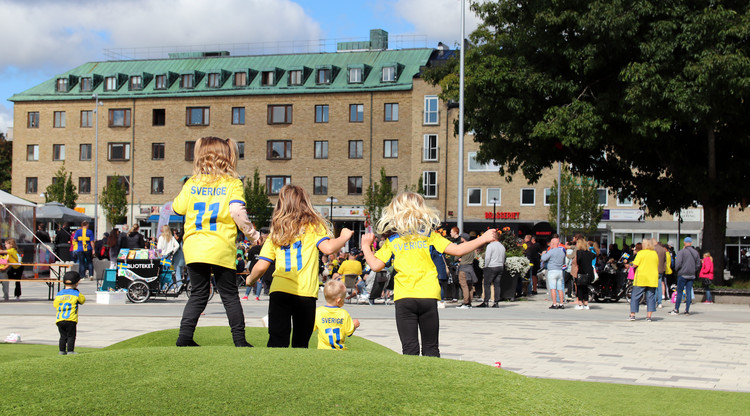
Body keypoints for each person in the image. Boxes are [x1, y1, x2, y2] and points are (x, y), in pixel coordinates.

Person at [361, 192, 495, 357]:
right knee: (431, 348)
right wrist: (483, 239)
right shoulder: (430, 236)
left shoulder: (393, 240)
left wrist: (366, 246)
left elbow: (374, 265)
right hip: (428, 296)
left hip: (404, 297)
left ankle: (413, 381)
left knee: (409, 349)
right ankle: (433, 380)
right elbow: (458, 250)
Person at [173, 136, 260, 348]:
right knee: (230, 295)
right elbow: (237, 212)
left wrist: (191, 187)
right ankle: (239, 341)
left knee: (198, 294)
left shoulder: (192, 182)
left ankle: (184, 338)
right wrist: (254, 235)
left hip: (195, 247)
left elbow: (178, 208)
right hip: (221, 246)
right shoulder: (232, 183)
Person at [246, 184, 353, 348]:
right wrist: (344, 237)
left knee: (277, 340)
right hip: (305, 292)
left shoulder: (277, 232)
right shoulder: (314, 227)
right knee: (301, 342)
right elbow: (329, 248)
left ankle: (275, 372)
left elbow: (261, 266)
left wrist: (250, 279)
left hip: (280, 290)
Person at [314, 279, 360, 350]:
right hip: (340, 349)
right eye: (343, 298)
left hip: (322, 349)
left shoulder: (318, 312)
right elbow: (349, 332)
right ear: (338, 300)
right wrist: (355, 325)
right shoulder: (343, 313)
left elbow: (311, 327)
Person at [54, 271, 86, 355]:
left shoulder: (59, 294)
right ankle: (70, 350)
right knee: (71, 336)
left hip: (60, 319)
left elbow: (55, 305)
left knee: (62, 336)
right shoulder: (76, 293)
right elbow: (82, 300)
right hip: (71, 319)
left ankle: (61, 350)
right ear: (77, 283)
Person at [629, 239, 659, 321]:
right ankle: (649, 316)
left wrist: (629, 263)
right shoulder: (654, 253)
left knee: (635, 296)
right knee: (650, 297)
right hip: (652, 278)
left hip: (641, 278)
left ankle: (632, 315)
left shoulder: (641, 253)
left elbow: (634, 264)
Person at [670, 237, 701, 316]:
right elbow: (698, 264)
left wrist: (677, 270)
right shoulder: (696, 253)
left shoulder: (682, 252)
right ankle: (687, 310)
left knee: (679, 292)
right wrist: (694, 270)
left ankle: (676, 309)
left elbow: (678, 263)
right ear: (691, 243)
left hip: (682, 274)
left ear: (684, 243)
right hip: (691, 275)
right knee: (688, 292)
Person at [478, 230, 505, 308]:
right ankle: (496, 302)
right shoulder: (502, 246)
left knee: (487, 284)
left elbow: (488, 257)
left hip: (491, 266)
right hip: (500, 266)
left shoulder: (490, 246)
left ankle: (486, 301)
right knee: (497, 285)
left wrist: (486, 266)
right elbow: (503, 257)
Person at [243, 228, 271, 301]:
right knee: (260, 281)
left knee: (251, 280)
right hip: (263, 265)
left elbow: (249, 257)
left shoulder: (254, 248)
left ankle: (246, 295)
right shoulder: (264, 248)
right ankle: (257, 296)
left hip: (253, 266)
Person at [541, 237, 567, 309]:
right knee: (560, 288)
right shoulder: (562, 252)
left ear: (552, 243)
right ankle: (561, 303)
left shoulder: (551, 251)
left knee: (552, 288)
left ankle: (554, 303)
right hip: (559, 271)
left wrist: (543, 254)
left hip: (552, 271)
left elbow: (544, 258)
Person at [456, 233, 478, 308]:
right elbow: (475, 256)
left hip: (463, 268)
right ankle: (470, 301)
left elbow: (456, 256)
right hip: (470, 269)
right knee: (470, 286)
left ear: (463, 238)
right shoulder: (472, 247)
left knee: (464, 285)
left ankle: (466, 302)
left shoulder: (462, 246)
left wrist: (460, 259)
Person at [574, 238, 596, 309]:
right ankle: (586, 303)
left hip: (581, 272)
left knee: (580, 287)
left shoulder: (579, 252)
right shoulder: (589, 253)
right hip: (589, 272)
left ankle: (580, 303)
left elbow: (578, 261)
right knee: (585, 287)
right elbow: (594, 255)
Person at [157, 225, 180, 289]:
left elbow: (159, 248)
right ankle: (171, 286)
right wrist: (173, 251)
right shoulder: (172, 238)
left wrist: (160, 253)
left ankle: (163, 286)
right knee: (169, 271)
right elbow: (177, 245)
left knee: (163, 271)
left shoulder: (161, 238)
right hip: (169, 257)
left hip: (163, 256)